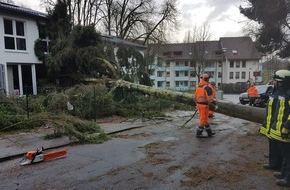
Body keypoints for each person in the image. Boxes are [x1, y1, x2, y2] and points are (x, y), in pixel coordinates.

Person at [260, 69, 290, 187]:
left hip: (286, 130)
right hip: (279, 129)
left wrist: (287, 127)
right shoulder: (282, 91)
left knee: (288, 155)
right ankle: (284, 173)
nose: (277, 84)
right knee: (284, 153)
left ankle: (288, 179)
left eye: (280, 82)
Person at [194, 73, 216, 138]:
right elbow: (210, 99)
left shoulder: (198, 87)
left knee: (205, 119)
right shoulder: (207, 87)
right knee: (203, 119)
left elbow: (194, 97)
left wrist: (197, 104)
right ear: (207, 79)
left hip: (199, 104)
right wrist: (214, 104)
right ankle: (198, 133)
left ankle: (209, 132)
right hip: (204, 106)